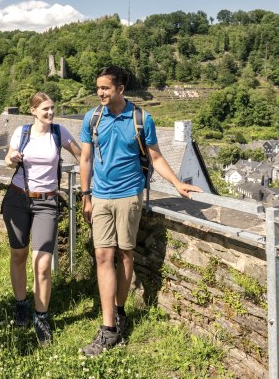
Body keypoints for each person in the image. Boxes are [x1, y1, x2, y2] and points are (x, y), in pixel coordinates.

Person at [79, 66, 201, 356]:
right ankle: (109, 328)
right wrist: (86, 195)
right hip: (100, 196)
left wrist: (177, 184)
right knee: (102, 255)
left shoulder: (141, 119)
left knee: (124, 254)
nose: (100, 93)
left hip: (128, 196)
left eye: (105, 88)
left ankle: (119, 313)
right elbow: (85, 158)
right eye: (98, 88)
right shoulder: (92, 118)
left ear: (120, 89)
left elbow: (155, 156)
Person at [2, 92, 81, 346]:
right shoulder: (21, 132)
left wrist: (91, 183)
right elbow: (8, 158)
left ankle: (42, 317)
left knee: (43, 264)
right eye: (45, 109)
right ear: (33, 110)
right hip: (18, 198)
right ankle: (22, 304)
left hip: (47, 202)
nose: (50, 113)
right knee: (18, 254)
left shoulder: (60, 133)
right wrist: (11, 158)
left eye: (52, 108)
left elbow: (82, 155)